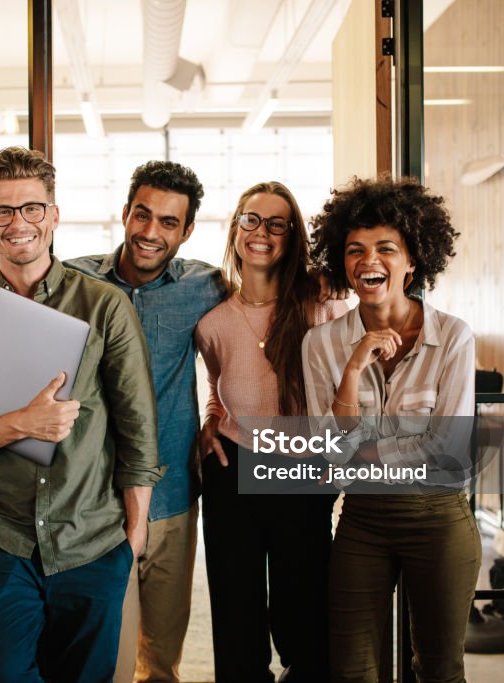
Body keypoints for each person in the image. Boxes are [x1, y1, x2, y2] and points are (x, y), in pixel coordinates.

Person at [0, 146, 161, 683]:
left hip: (93, 541)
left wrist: (132, 542)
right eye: (2, 211)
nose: (17, 222)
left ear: (53, 214)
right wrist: (20, 424)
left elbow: (138, 432)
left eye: (31, 208)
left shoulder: (103, 306)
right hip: (3, 542)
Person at [302, 176, 480, 683]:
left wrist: (366, 455)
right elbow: (328, 452)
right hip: (362, 521)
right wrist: (353, 368)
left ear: (413, 260)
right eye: (355, 250)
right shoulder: (322, 345)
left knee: (440, 668)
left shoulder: (453, 337)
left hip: (439, 517)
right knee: (352, 669)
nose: (368, 261)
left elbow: (446, 446)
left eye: (385, 248)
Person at [66, 160, 227, 683]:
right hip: (92, 499)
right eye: (143, 215)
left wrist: (217, 413)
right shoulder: (72, 282)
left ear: (187, 230)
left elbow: (257, 332)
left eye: (168, 222)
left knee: (159, 658)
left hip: (173, 493)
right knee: (97, 654)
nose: (150, 232)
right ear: (125, 213)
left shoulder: (207, 286)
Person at [194, 181, 344, 683]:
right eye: (251, 220)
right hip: (230, 469)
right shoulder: (212, 322)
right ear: (236, 228)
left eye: (277, 223)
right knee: (236, 615)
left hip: (302, 466)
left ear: (291, 235)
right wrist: (210, 419)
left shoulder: (321, 304)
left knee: (304, 613)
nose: (262, 232)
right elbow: (218, 384)